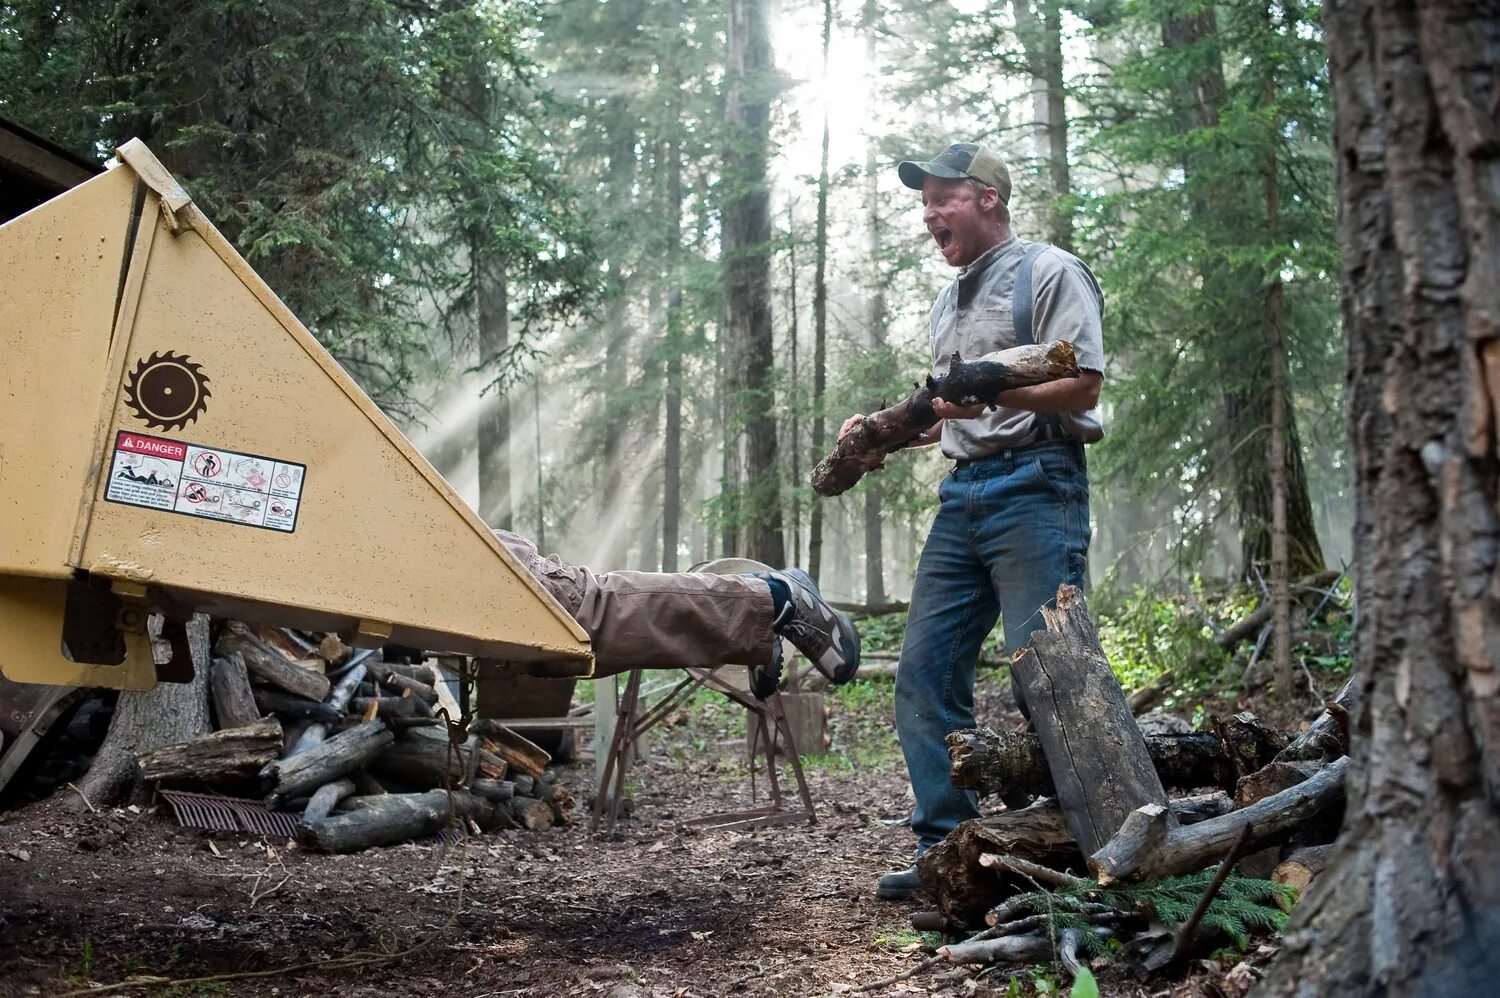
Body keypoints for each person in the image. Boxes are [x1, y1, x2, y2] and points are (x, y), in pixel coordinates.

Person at [841, 142, 1105, 900]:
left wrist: (989, 396)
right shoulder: (948, 299)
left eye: (942, 198)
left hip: (1038, 485)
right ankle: (947, 849)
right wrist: (889, 431)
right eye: (923, 202)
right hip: (964, 497)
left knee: (1047, 672)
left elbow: (1083, 386)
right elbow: (952, 412)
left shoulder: (1049, 272)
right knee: (923, 672)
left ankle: (1079, 842)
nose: (928, 214)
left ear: (988, 197)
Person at [494, 530, 860, 698]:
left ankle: (778, 598)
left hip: (466, 560)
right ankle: (757, 636)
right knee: (547, 654)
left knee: (579, 618)